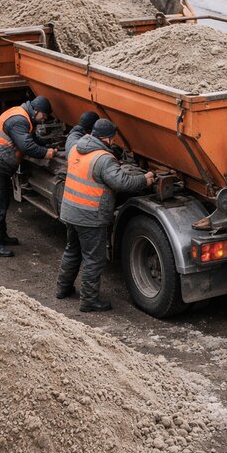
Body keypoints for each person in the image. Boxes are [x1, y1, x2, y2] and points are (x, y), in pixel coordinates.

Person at [56, 118, 154, 312]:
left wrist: (79, 123)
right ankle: (89, 301)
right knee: (94, 259)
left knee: (72, 250)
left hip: (70, 211)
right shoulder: (103, 159)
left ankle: (62, 289)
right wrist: (145, 180)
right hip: (90, 216)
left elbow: (72, 136)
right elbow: (122, 183)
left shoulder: (75, 148)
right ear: (108, 139)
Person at [0, 96, 55, 257]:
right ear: (36, 111)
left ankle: (1, 236)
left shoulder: (24, 115)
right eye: (44, 115)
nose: (45, 119)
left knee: (2, 201)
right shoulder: (19, 120)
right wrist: (47, 153)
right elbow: (27, 146)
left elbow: (30, 138)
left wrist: (46, 144)